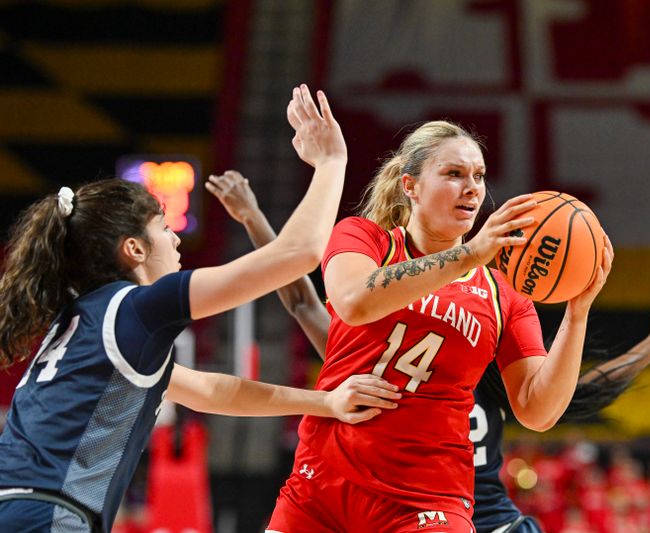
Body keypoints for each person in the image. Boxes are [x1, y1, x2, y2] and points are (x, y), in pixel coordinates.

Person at [0, 85, 402, 533]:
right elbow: (299, 254)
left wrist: (325, 402)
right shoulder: (137, 309)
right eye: (163, 228)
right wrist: (331, 163)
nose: (175, 240)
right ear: (133, 248)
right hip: (47, 516)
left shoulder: (84, 319)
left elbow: (213, 391)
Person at [208, 173, 650, 533]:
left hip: (474, 515)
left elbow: (577, 393)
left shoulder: (497, 360)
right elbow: (304, 303)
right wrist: (254, 220)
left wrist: (647, 340)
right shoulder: (377, 359)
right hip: (392, 507)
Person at [249, 119, 612, 531]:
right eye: (454, 174)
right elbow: (353, 302)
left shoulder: (504, 295)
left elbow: (538, 410)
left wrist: (577, 312)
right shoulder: (365, 239)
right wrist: (471, 254)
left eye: (478, 176)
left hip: (426, 499)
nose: (473, 187)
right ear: (410, 186)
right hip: (322, 485)